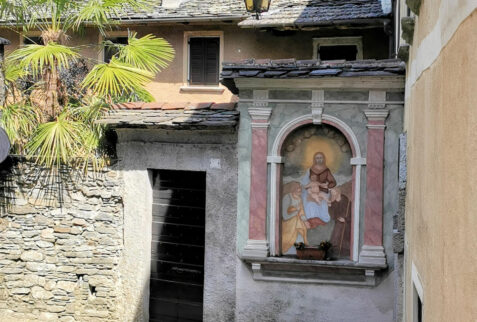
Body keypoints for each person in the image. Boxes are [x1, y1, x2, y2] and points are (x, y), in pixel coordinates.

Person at [301, 152, 337, 229]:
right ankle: (310, 219)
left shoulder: (326, 170)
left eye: (320, 158)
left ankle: (322, 220)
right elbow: (304, 183)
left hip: (323, 190)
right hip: (312, 191)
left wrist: (327, 185)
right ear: (314, 159)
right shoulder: (310, 170)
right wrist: (309, 187)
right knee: (309, 201)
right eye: (317, 158)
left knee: (323, 199)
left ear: (323, 159)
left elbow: (333, 182)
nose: (319, 160)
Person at [281, 182, 309, 253]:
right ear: (293, 189)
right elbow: (285, 215)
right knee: (289, 241)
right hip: (289, 225)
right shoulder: (287, 197)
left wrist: (305, 221)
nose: (300, 190)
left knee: (300, 240)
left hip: (299, 224)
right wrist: (296, 212)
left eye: (300, 188)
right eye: (298, 188)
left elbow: (301, 211)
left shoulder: (299, 198)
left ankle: (299, 253)